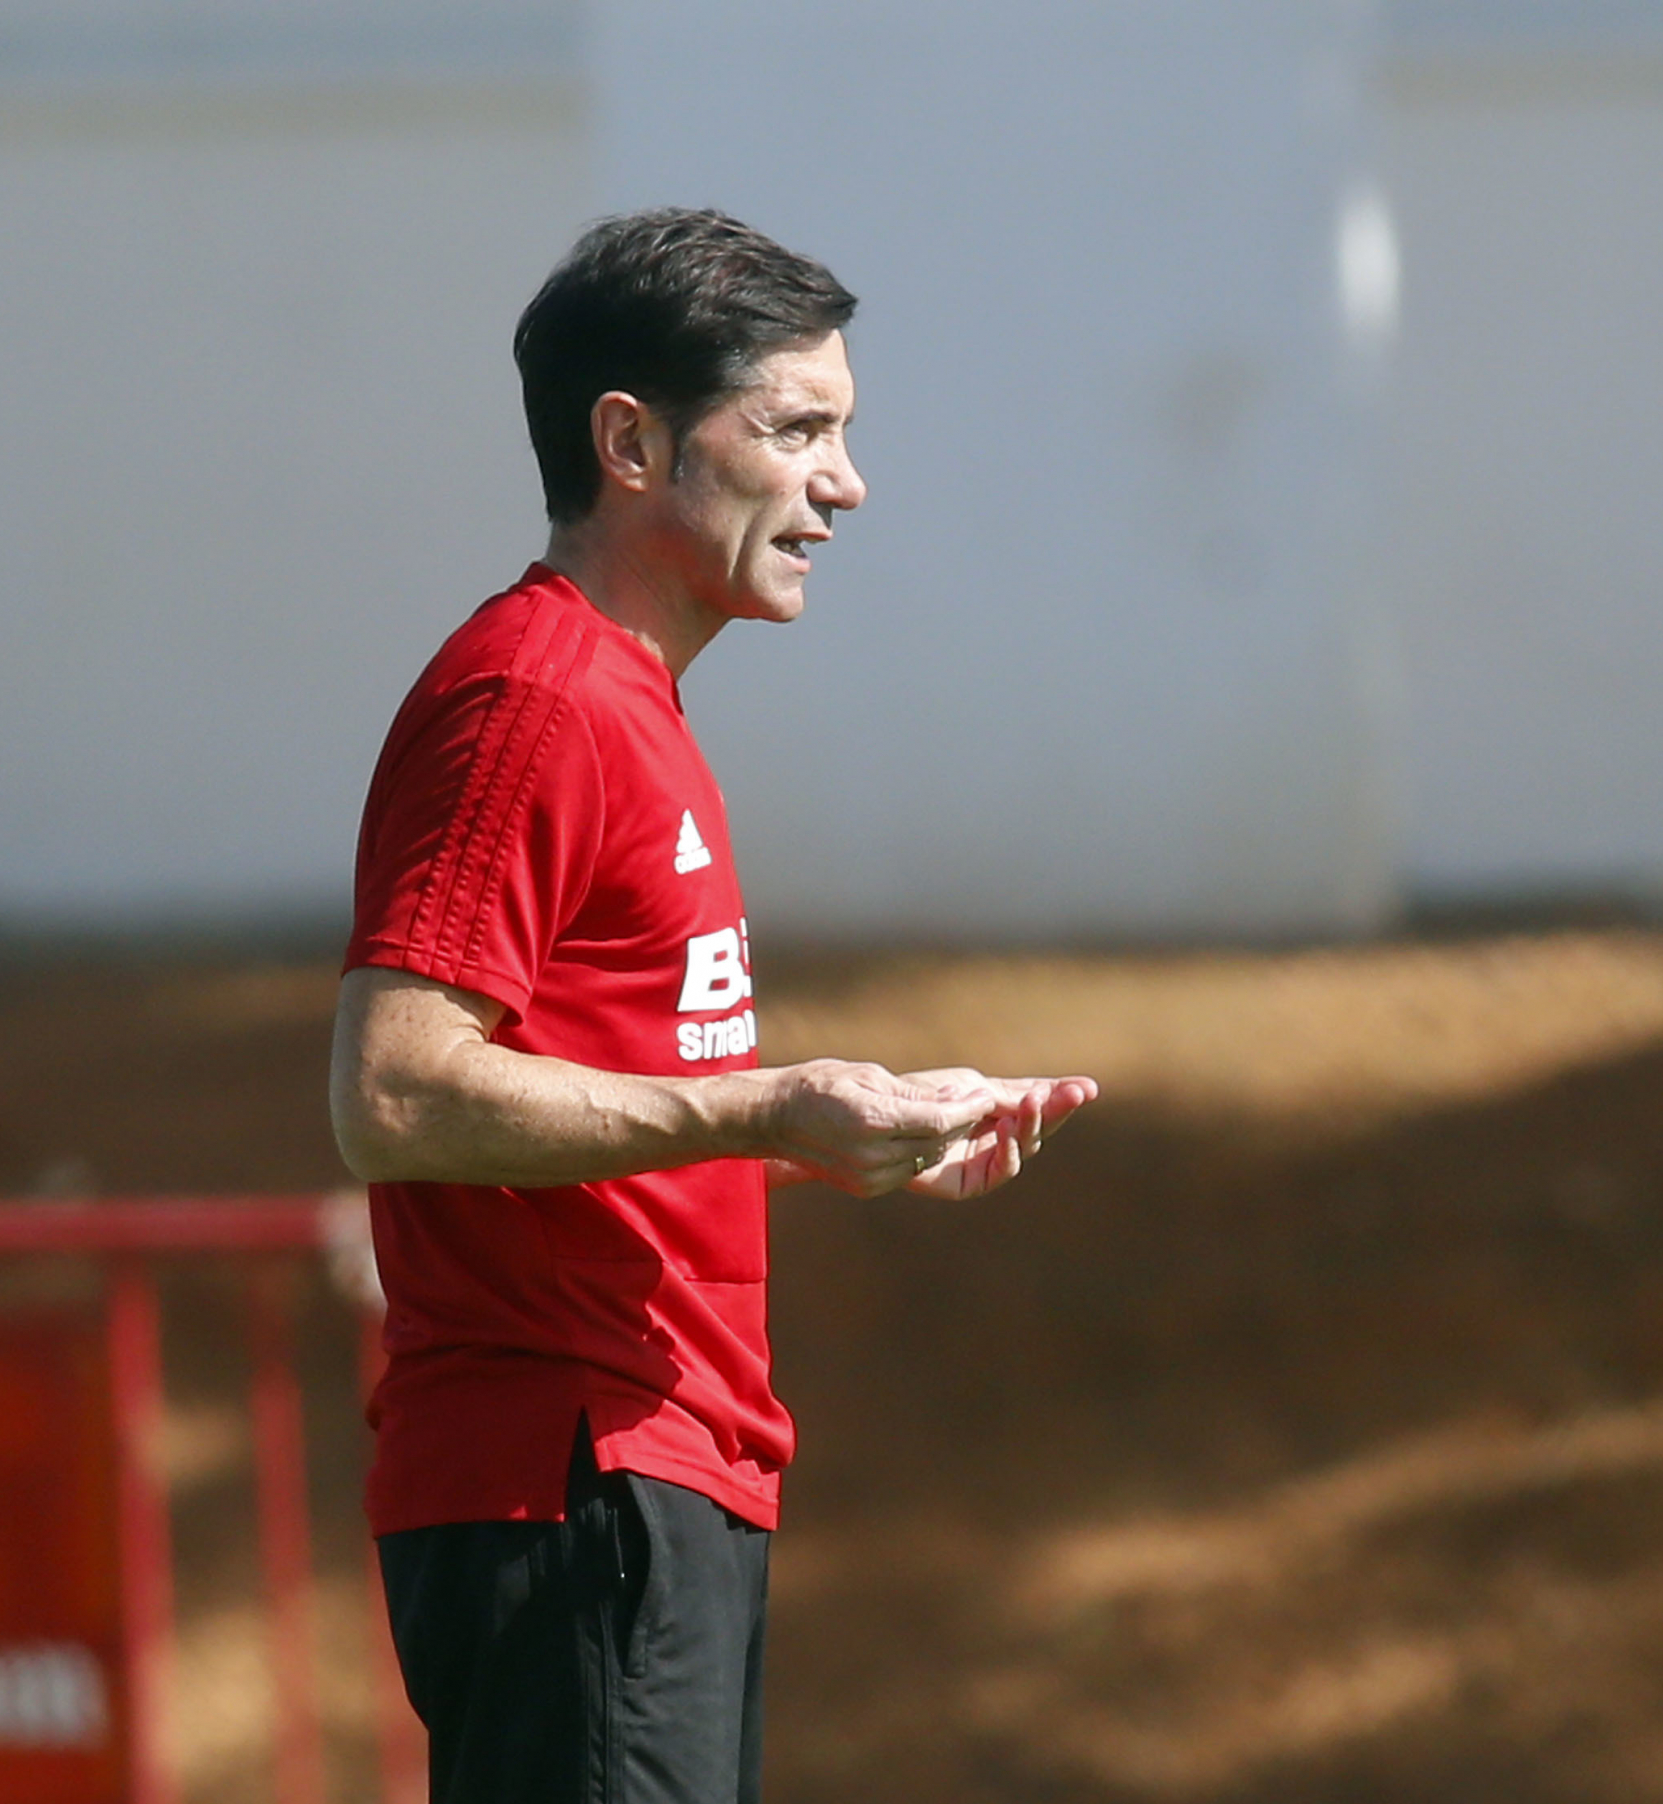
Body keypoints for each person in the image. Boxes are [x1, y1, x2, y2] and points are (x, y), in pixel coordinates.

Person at [327, 207, 1096, 1804]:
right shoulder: (533, 698)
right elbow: (393, 1092)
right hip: (579, 1474)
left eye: (844, 434)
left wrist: (833, 1135)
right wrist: (760, 1105)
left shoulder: (631, 703)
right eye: (796, 429)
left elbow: (589, 1080)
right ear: (630, 440)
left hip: (653, 1480)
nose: (845, 483)